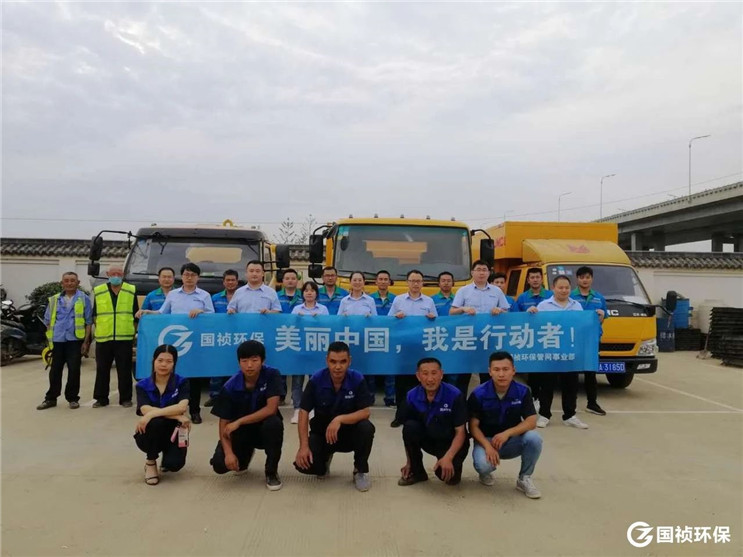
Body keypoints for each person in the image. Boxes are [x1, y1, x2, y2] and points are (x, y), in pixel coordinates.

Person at [294, 342, 375, 492]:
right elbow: (303, 412)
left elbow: (365, 412)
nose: (338, 367)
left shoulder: (357, 379)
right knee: (305, 466)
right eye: (333, 361)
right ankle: (324, 459)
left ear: (349, 361)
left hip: (349, 434)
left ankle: (360, 470)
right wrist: (303, 447)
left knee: (366, 428)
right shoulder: (316, 380)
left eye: (343, 361)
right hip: (323, 435)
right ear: (327, 360)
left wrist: (339, 419)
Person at [141, 262, 215, 424]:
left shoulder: (204, 295)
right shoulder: (173, 294)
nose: (189, 278)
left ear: (198, 277)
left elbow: (212, 317)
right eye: (186, 274)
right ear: (182, 276)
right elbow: (162, 313)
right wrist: (147, 312)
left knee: (194, 378)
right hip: (176, 342)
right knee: (174, 376)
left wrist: (201, 311)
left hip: (195, 342)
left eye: (193, 275)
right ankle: (172, 410)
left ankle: (195, 411)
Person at [209, 340, 284, 491]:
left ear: (263, 361)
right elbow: (223, 423)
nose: (249, 365)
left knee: (274, 424)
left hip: (264, 429)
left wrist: (240, 421)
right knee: (220, 465)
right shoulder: (230, 386)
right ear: (239, 362)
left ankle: (271, 472)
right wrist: (229, 453)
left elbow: (271, 409)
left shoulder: (272, 375)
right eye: (244, 361)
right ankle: (245, 455)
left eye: (254, 360)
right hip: (241, 433)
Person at [468, 351, 542, 499]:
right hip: (486, 440)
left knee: (534, 439)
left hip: (512, 440)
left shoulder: (523, 391)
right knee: (482, 465)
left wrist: (507, 433)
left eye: (505, 369)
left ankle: (524, 478)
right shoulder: (478, 393)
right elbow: (472, 426)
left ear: (513, 370)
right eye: (496, 369)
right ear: (490, 371)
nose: (501, 374)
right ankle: (486, 472)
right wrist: (488, 446)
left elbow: (531, 421)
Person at [398, 358, 469, 487]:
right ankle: (417, 472)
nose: (430, 379)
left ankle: (451, 463)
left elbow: (460, 432)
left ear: (441, 374)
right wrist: (409, 463)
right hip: (429, 438)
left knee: (448, 478)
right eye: (425, 374)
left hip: (451, 442)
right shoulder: (411, 396)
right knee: (410, 427)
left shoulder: (454, 395)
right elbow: (408, 435)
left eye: (434, 373)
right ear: (418, 376)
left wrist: (448, 457)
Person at [534, 275, 589, 429]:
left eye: (567, 288)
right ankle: (544, 415)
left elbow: (582, 325)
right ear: (553, 288)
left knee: (571, 385)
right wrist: (531, 313)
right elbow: (535, 325)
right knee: (547, 385)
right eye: (560, 287)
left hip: (570, 351)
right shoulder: (544, 305)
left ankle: (569, 415)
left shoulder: (576, 306)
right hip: (550, 351)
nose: (564, 290)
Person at [134, 344, 190, 485]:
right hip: (151, 431)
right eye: (160, 360)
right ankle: (150, 462)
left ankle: (168, 455)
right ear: (153, 361)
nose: (164, 364)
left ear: (174, 363)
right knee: (155, 422)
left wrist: (152, 414)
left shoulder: (182, 382)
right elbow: (145, 409)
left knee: (174, 465)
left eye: (168, 361)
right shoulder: (142, 385)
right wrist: (177, 415)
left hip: (175, 430)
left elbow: (182, 407)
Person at [450, 260, 510, 393]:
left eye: (484, 270)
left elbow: (507, 312)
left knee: (487, 374)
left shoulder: (497, 291)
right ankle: (461, 403)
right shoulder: (463, 291)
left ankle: (486, 402)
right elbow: (452, 312)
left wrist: (500, 311)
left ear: (489, 273)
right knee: (464, 375)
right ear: (472, 272)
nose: (481, 273)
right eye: (478, 270)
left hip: (489, 338)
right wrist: (463, 309)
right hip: (468, 337)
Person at [388, 269, 438, 428]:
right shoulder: (399, 300)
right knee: (401, 383)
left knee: (421, 382)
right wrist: (396, 317)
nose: (415, 284)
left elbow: (436, 324)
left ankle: (420, 415)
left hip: (422, 348)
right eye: (412, 281)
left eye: (418, 281)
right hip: (403, 348)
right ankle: (400, 416)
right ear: (407, 283)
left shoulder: (429, 301)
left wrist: (432, 318)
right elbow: (388, 321)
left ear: (422, 283)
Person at [36, 272, 93, 410]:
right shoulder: (54, 299)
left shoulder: (84, 299)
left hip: (75, 340)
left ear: (78, 283)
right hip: (58, 340)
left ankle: (72, 398)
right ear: (62, 283)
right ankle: (51, 398)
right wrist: (50, 340)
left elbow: (88, 322)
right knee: (55, 370)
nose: (69, 283)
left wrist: (85, 342)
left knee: (74, 370)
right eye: (66, 280)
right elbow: (48, 321)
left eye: (72, 280)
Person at [92, 264, 138, 409]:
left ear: (123, 275)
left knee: (124, 369)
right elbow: (95, 315)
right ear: (108, 274)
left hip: (124, 337)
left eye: (119, 274)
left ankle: (125, 398)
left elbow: (135, 314)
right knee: (102, 369)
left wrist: (132, 333)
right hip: (104, 337)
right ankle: (101, 398)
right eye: (113, 274)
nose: (116, 276)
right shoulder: (99, 290)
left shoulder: (131, 290)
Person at [509, 267, 551, 408]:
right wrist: (526, 314)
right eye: (532, 277)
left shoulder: (550, 295)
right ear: (528, 280)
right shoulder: (522, 298)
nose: (535, 280)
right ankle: (535, 397)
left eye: (537, 277)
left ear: (541, 279)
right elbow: (516, 317)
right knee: (533, 371)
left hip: (548, 338)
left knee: (547, 372)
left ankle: (545, 400)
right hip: (530, 339)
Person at [289, 282, 329, 424]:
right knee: (297, 381)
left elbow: (329, 326)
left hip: (316, 349)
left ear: (316, 293)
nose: (309, 293)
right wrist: (297, 319)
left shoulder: (323, 309)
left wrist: (319, 320)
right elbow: (290, 327)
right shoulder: (296, 309)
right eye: (306, 290)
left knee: (315, 380)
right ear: (302, 294)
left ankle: (313, 407)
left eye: (312, 290)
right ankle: (297, 409)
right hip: (299, 349)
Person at [572, 266, 608, 416]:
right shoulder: (571, 296)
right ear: (577, 279)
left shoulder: (599, 297)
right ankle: (571, 405)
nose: (585, 280)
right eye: (582, 277)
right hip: (573, 338)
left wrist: (602, 316)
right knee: (572, 372)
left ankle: (592, 403)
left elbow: (603, 319)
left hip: (592, 339)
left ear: (592, 279)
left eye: (587, 277)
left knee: (590, 372)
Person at [204, 269, 240, 408]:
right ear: (223, 282)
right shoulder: (215, 298)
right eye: (228, 280)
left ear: (237, 282)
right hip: (219, 336)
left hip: (238, 335)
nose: (230, 282)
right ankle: (215, 396)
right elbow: (209, 315)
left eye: (233, 280)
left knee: (235, 366)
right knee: (217, 366)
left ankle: (234, 395)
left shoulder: (242, 296)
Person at [370, 270, 397, 407]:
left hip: (391, 338)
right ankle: (370, 398)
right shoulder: (368, 299)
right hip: (372, 338)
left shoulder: (396, 299)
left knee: (390, 369)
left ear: (389, 282)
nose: (383, 281)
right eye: (380, 279)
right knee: (371, 369)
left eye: (386, 279)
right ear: (376, 281)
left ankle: (390, 398)